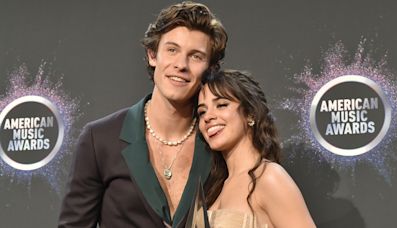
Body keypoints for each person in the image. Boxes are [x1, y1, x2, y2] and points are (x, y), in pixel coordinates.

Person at [58, 2, 227, 228]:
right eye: (172, 50)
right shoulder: (100, 139)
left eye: (196, 56)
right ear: (152, 55)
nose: (181, 65)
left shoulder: (219, 142)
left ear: (210, 68)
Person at [197, 70, 316, 228]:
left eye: (221, 105)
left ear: (250, 114)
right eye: (202, 112)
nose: (208, 117)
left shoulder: (269, 178)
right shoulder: (213, 187)